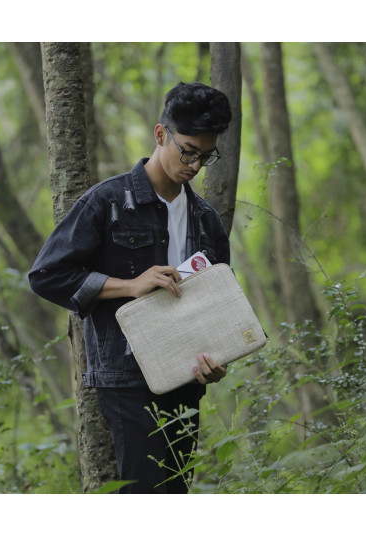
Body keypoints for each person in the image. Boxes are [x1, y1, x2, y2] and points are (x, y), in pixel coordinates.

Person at [29, 81, 232, 493]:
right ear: (161, 135)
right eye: (188, 151)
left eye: (205, 156)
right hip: (127, 378)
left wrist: (218, 360)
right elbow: (46, 274)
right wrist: (130, 285)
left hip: (187, 379)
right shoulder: (106, 203)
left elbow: (218, 304)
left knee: (174, 492)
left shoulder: (206, 219)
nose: (194, 164)